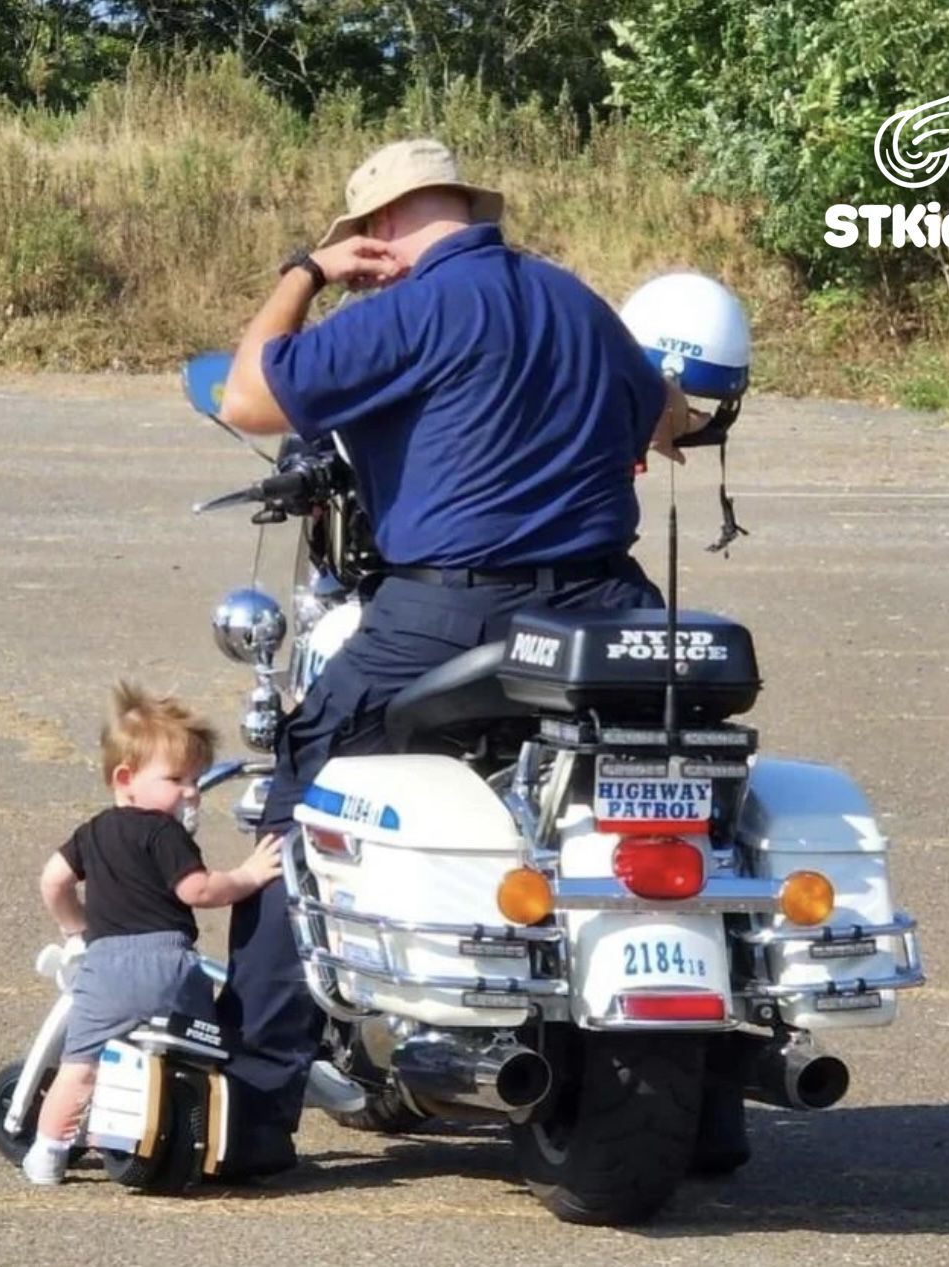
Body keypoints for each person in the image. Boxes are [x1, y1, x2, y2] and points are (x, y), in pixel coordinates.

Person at [216, 137, 706, 1175]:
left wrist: (304, 271)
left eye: (361, 239)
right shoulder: (577, 302)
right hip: (609, 609)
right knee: (675, 803)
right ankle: (712, 1117)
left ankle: (254, 1117)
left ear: (380, 230)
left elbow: (247, 400)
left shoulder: (412, 306)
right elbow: (668, 417)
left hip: (452, 612)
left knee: (289, 807)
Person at [21, 682, 282, 1186]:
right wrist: (248, 876)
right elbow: (198, 891)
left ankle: (48, 1153)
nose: (190, 791)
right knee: (195, 1059)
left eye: (197, 780)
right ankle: (200, 1144)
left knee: (80, 1064)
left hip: (105, 969)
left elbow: (52, 879)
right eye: (177, 778)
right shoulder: (164, 832)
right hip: (169, 964)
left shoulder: (92, 831)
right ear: (127, 779)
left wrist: (75, 926)